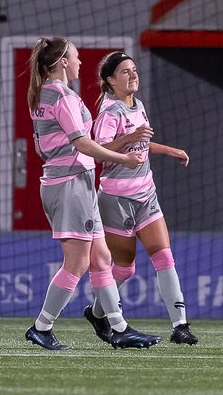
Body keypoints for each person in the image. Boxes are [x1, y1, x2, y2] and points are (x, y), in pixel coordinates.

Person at [24, 37, 161, 350]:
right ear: (62, 63)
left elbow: (39, 146)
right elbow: (82, 143)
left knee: (101, 259)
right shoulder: (62, 95)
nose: (80, 63)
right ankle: (41, 327)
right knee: (76, 264)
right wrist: (124, 157)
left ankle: (119, 328)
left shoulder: (42, 94)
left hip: (66, 182)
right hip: (72, 184)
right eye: (76, 57)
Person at [84, 51, 198, 345]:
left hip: (146, 194)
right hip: (116, 198)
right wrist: (128, 140)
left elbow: (142, 144)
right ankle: (97, 312)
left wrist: (168, 150)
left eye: (134, 70)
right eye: (125, 72)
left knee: (164, 255)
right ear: (110, 81)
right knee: (125, 268)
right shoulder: (109, 112)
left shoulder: (138, 105)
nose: (133, 75)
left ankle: (180, 326)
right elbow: (100, 148)